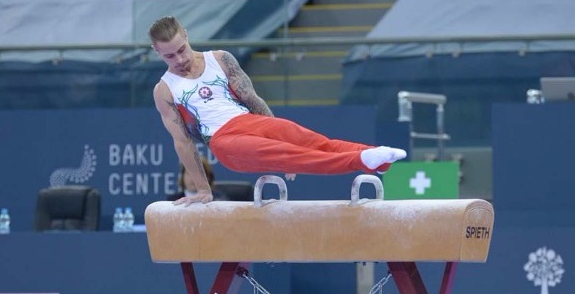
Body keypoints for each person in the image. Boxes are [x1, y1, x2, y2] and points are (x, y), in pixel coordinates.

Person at [149, 16, 407, 205]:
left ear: (185, 33)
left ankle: (375, 158)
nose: (180, 59)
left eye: (181, 50)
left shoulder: (220, 59)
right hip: (224, 142)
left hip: (249, 121)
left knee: (309, 140)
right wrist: (203, 190)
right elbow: (183, 143)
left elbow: (253, 99)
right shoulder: (165, 90)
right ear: (157, 52)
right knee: (294, 155)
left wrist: (274, 132)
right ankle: (359, 161)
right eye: (169, 56)